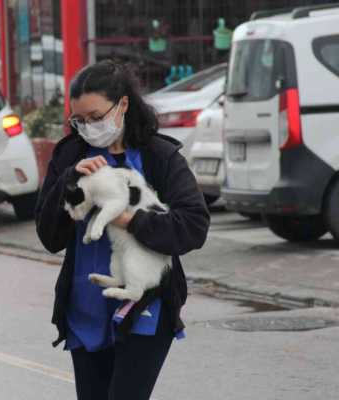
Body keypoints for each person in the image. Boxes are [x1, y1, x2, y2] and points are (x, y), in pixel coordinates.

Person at [34, 60, 210, 400]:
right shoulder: (71, 154)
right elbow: (49, 236)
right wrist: (69, 182)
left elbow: (193, 225)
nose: (89, 127)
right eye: (80, 120)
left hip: (145, 306)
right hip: (85, 308)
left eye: (97, 117)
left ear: (124, 104)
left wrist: (128, 219)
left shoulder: (159, 156)